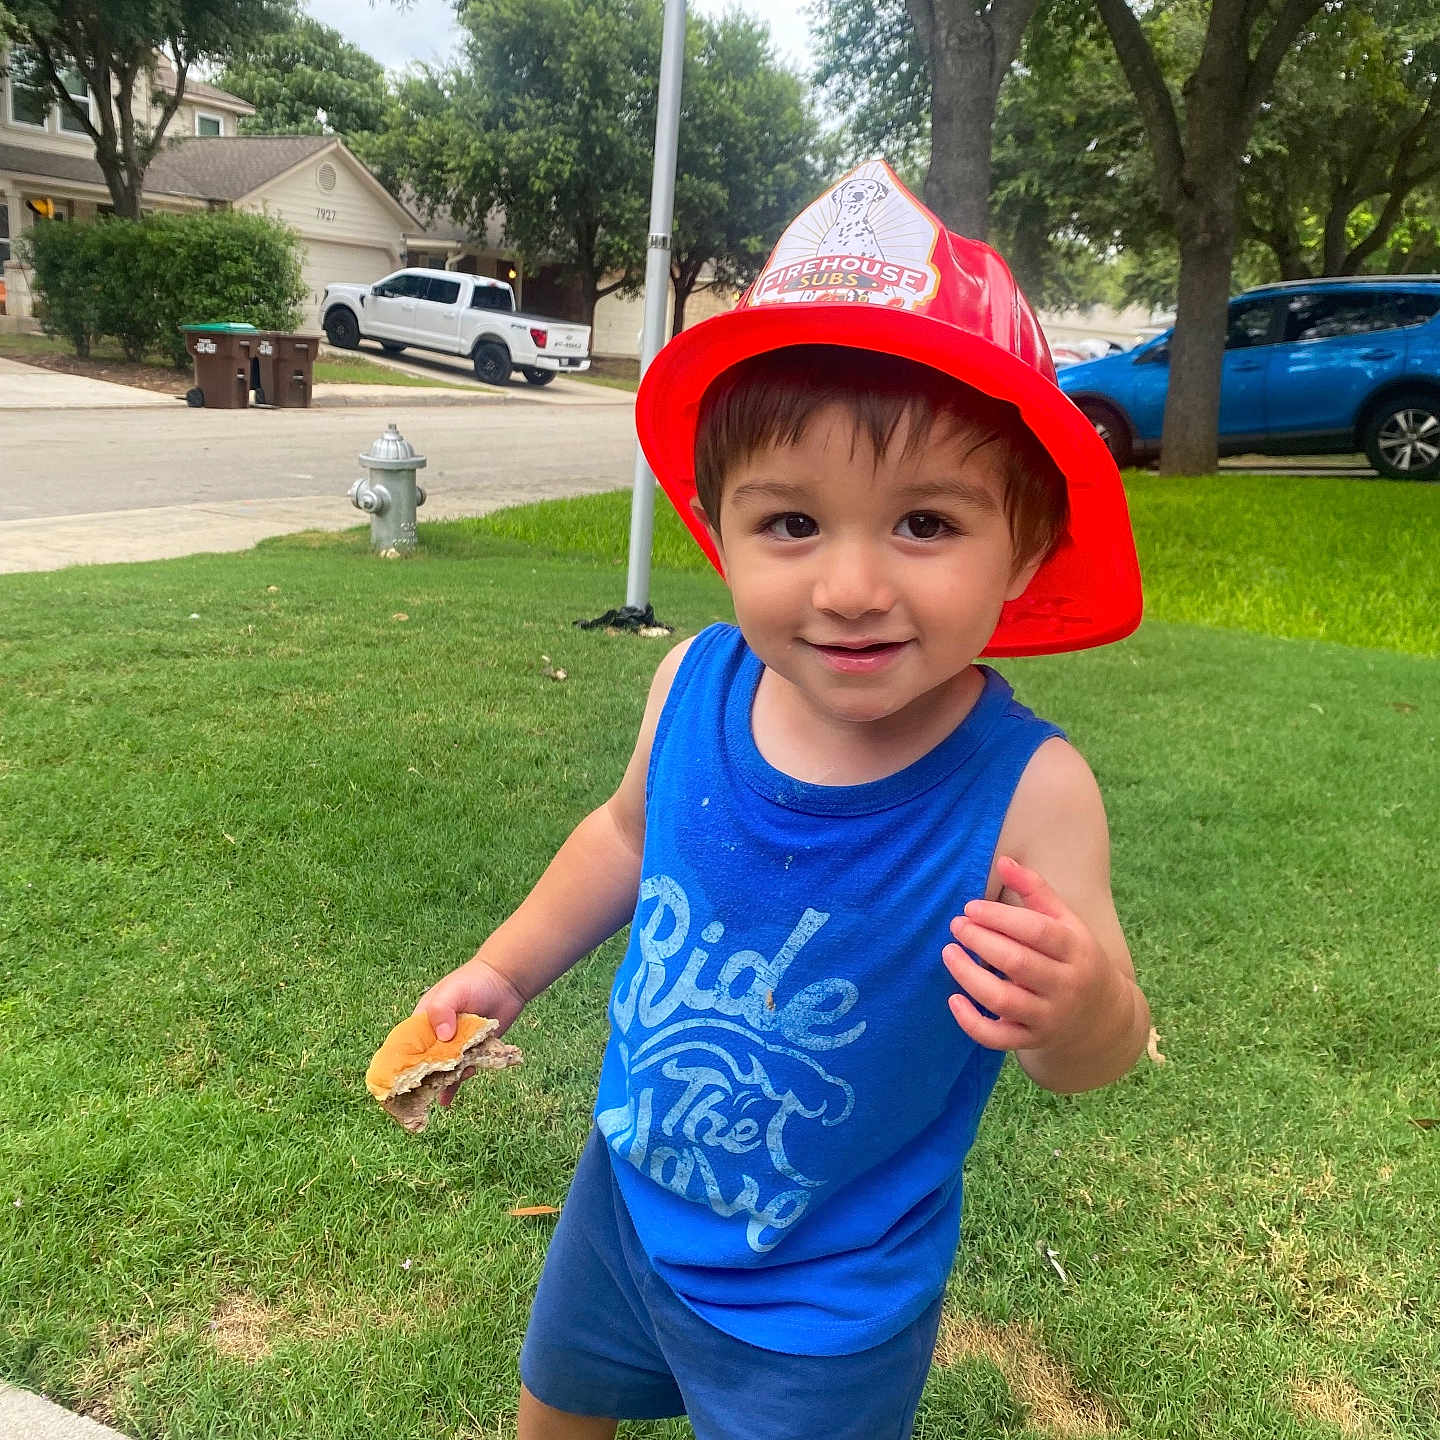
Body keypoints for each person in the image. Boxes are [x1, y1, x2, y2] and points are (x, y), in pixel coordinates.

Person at [411, 160, 1150, 1440]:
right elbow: (624, 837)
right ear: (718, 529)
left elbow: (1100, 1055)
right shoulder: (694, 683)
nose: (852, 585)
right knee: (555, 1417)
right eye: (793, 523)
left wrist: (1079, 1007)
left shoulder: (1031, 791)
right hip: (627, 1197)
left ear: (1024, 545)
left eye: (925, 524)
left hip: (825, 1292)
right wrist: (498, 972)